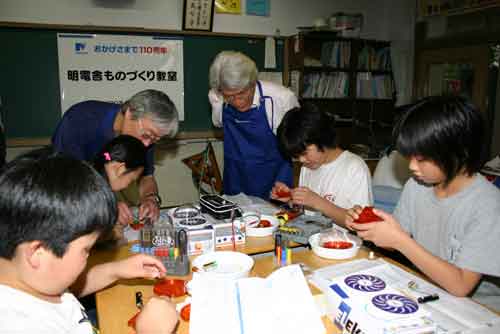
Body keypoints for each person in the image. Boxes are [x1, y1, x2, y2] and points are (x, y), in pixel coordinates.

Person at [346, 95, 500, 311]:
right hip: (425, 291)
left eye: (421, 158)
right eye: (409, 157)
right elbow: (396, 239)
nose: (412, 167)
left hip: (477, 310)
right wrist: (371, 225)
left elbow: (461, 285)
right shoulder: (417, 186)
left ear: (457, 152)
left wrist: (399, 240)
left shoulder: (488, 204)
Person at [0, 148, 178, 333]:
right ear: (38, 253)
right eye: (86, 250)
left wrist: (118, 270)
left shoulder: (32, 278)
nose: (88, 256)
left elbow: (66, 288)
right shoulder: (20, 325)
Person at [52, 89, 179, 225]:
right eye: (146, 135)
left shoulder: (145, 140)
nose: (147, 144)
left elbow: (146, 177)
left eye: (154, 140)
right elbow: (66, 181)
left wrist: (150, 198)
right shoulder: (80, 120)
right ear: (130, 113)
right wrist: (108, 203)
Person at [208, 51, 299, 199]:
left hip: (274, 176)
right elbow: (218, 123)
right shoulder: (216, 97)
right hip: (236, 175)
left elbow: (298, 142)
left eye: (241, 93)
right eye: (229, 96)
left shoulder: (281, 98)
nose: (237, 102)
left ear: (252, 83)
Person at [271, 105, 373, 225]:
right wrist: (292, 198)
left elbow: (362, 224)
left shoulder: (354, 168)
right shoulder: (307, 167)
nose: (302, 160)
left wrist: (318, 203)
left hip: (345, 241)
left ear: (322, 138)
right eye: (297, 156)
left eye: (304, 153)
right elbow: (307, 214)